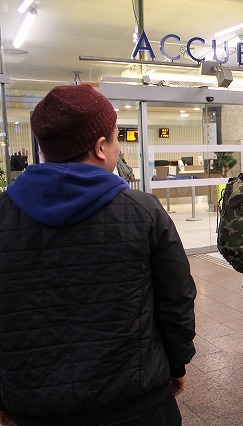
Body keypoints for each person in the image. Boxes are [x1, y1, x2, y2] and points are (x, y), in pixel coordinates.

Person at [0, 85, 196, 426]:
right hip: (137, 403)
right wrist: (176, 363)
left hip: (36, 407)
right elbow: (177, 300)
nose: (119, 146)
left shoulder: (3, 214)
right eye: (117, 138)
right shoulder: (144, 211)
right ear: (101, 147)